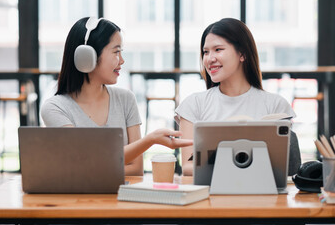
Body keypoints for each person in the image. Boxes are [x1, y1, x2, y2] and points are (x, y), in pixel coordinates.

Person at [41, 17, 192, 176]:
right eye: (116, 51)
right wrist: (150, 140)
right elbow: (85, 161)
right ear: (87, 56)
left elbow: (135, 169)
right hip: (80, 199)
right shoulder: (55, 108)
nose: (122, 60)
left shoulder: (126, 99)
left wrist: (91, 167)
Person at [175, 18, 301, 176]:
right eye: (205, 52)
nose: (209, 58)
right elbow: (187, 167)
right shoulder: (194, 104)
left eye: (218, 49)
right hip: (210, 197)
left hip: (262, 196)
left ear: (242, 54)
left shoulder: (275, 105)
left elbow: (283, 167)